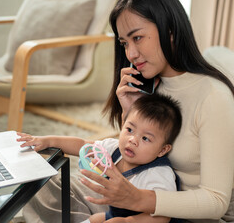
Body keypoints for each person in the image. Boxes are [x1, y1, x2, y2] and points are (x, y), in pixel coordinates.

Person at [23, 0, 234, 222]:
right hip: (133, 205)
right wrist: (129, 112)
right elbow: (134, 156)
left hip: (187, 217)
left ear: (169, 29)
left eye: (137, 38)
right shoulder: (149, 84)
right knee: (37, 182)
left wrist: (136, 198)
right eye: (125, 43)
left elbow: (216, 203)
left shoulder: (214, 97)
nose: (130, 54)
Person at [19, 93, 182, 223]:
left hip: (129, 218)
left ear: (162, 150)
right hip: (102, 207)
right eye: (130, 130)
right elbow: (83, 144)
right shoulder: (114, 148)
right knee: (45, 182)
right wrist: (48, 140)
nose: (133, 140)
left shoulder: (158, 174)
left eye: (145, 138)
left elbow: (162, 216)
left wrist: (127, 222)